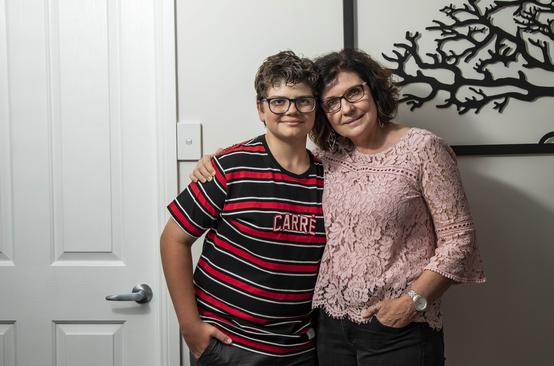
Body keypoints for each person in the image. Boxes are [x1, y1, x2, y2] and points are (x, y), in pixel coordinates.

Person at [190, 48, 486, 366]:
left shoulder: (423, 148)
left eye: (354, 93)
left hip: (398, 328)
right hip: (328, 329)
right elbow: (277, 151)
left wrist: (412, 302)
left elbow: (460, 240)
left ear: (374, 91)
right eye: (332, 102)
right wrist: (220, 158)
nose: (346, 108)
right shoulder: (330, 160)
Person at [160, 50, 326, 366]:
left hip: (299, 350)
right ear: (261, 109)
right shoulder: (228, 167)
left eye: (303, 100)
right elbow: (173, 239)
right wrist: (189, 326)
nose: (292, 110)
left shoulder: (328, 177)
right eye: (279, 101)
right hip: (229, 346)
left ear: (315, 108)